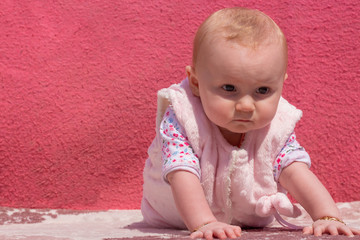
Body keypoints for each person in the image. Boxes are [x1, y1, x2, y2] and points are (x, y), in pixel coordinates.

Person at [141, 7, 360, 240]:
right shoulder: (183, 117)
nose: (246, 105)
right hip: (174, 216)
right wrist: (204, 223)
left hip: (248, 217)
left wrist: (327, 216)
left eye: (262, 90)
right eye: (229, 88)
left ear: (281, 83)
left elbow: (296, 171)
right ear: (195, 82)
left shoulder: (277, 127)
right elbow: (182, 172)